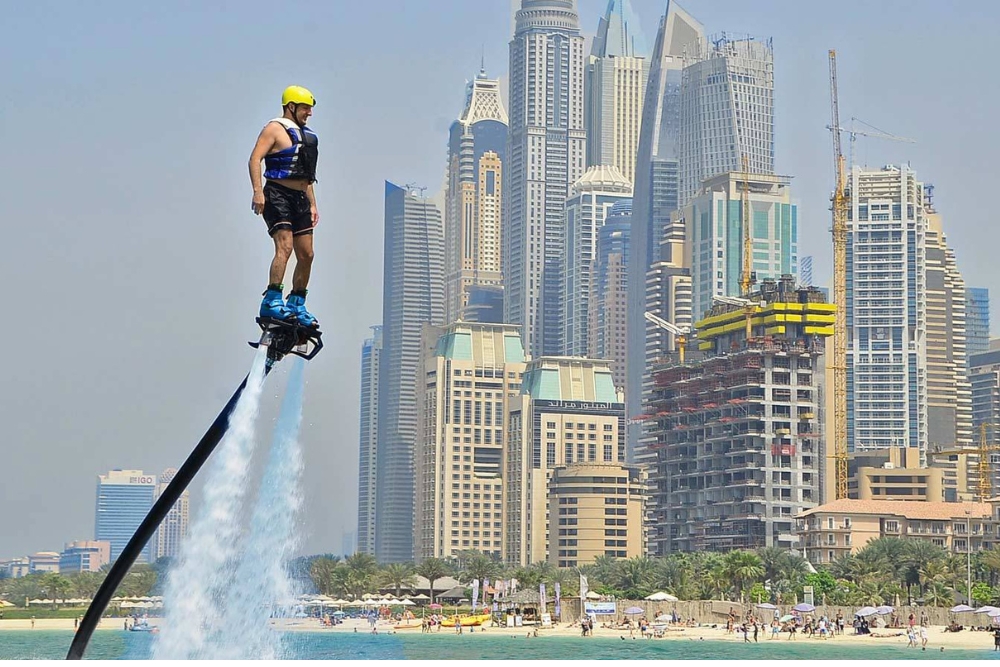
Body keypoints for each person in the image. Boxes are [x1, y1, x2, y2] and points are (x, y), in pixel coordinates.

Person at [249, 85, 320, 327]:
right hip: (277, 194)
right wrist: (258, 192)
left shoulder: (307, 136)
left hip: (300, 198)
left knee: (307, 254)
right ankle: (271, 300)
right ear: (291, 106)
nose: (309, 113)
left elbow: (307, 175)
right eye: (305, 109)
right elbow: (254, 159)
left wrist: (313, 204)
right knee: (285, 247)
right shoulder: (274, 129)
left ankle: (297, 303)